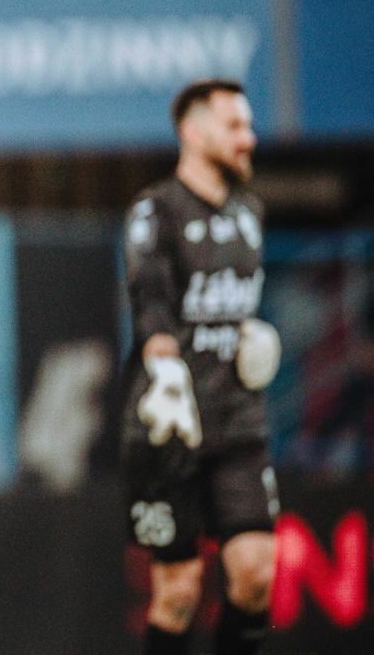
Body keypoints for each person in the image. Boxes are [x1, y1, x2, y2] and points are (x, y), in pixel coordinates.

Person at [121, 80, 281, 655]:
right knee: (179, 592)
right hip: (170, 425)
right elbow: (151, 300)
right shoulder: (155, 211)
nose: (249, 138)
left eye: (249, 125)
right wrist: (165, 367)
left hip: (238, 422)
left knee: (256, 574)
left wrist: (252, 338)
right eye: (234, 126)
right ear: (193, 132)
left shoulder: (249, 213)